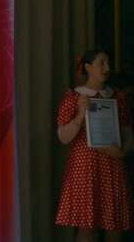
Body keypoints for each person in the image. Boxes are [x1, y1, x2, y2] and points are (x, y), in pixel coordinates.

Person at [56, 49, 134, 241]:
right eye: (102, 63)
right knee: (87, 228)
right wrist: (80, 115)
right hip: (85, 170)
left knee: (115, 227)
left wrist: (122, 152)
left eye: (108, 63)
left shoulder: (117, 97)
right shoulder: (73, 98)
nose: (107, 68)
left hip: (112, 167)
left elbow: (128, 135)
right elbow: (63, 137)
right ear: (88, 67)